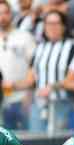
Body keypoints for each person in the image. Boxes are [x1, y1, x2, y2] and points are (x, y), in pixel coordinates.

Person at [26, 10, 74, 132]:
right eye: (49, 24)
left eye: (56, 23)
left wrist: (53, 87)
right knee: (36, 142)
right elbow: (30, 78)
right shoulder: (39, 47)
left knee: (59, 143)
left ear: (63, 26)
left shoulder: (73, 47)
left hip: (64, 103)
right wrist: (11, 84)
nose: (52, 27)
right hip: (39, 104)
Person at [0, 0, 36, 130]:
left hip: (23, 99)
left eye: (5, 13)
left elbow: (35, 67)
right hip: (1, 101)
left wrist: (26, 90)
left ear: (11, 14)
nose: (2, 17)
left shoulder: (25, 37)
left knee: (25, 144)